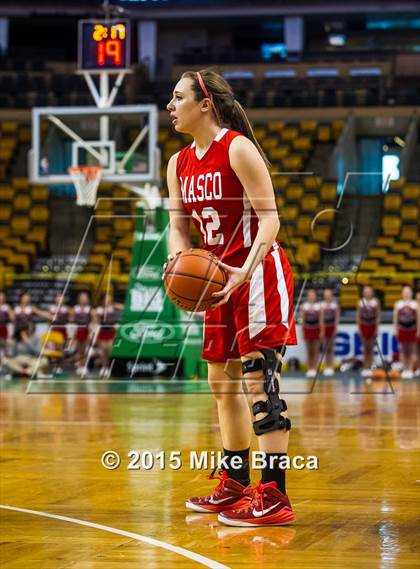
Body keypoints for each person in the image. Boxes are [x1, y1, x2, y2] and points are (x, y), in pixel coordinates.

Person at [164, 68, 297, 527]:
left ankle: (275, 494)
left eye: (177, 98)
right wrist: (176, 261)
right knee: (221, 384)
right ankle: (236, 483)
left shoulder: (237, 148)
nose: (170, 106)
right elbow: (178, 226)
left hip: (256, 271)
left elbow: (270, 219)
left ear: (205, 104)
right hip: (218, 281)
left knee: (260, 383)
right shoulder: (178, 163)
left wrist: (245, 269)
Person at [93, 291, 122, 377]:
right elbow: (95, 318)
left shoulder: (113, 308)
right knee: (102, 352)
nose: (107, 301)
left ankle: (109, 367)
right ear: (102, 301)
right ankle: (103, 367)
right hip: (102, 332)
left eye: (109, 299)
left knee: (109, 351)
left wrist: (115, 304)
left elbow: (124, 307)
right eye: (105, 300)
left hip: (111, 332)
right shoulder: (99, 310)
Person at [393, 285, 417, 379]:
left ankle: (410, 369)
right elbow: (395, 318)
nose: (406, 294)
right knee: (403, 350)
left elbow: (418, 318)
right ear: (402, 293)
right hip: (402, 329)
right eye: (405, 292)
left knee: (412, 350)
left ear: (411, 293)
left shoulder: (415, 304)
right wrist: (395, 329)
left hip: (412, 329)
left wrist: (418, 330)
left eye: (408, 292)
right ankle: (404, 369)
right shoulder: (398, 304)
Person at [356, 285, 380, 378]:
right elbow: (358, 316)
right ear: (363, 293)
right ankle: (365, 367)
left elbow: (378, 315)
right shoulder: (360, 302)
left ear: (372, 292)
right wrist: (359, 328)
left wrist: (377, 328)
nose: (367, 293)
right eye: (365, 291)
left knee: (371, 348)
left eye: (369, 291)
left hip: (372, 326)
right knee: (365, 348)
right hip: (364, 326)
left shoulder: (375, 302)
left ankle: (370, 367)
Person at [301, 287, 322, 378]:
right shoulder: (304, 306)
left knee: (316, 350)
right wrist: (302, 331)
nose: (311, 296)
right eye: (310, 295)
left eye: (313, 295)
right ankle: (309, 368)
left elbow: (321, 320)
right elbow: (303, 320)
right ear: (308, 296)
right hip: (307, 329)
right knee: (309, 350)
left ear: (315, 296)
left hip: (316, 329)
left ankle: (314, 368)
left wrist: (322, 331)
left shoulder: (319, 307)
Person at [71, 291, 92, 375]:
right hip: (78, 330)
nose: (83, 300)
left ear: (87, 300)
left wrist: (91, 332)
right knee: (79, 350)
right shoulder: (75, 309)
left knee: (85, 350)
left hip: (86, 331)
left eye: (85, 298)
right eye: (82, 298)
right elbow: (71, 321)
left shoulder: (90, 309)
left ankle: (84, 366)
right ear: (79, 300)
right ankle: (79, 365)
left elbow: (93, 322)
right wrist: (72, 334)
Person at [320, 287, 340, 376]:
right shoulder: (322, 305)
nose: (327, 297)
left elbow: (336, 318)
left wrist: (335, 328)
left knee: (331, 349)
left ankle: (330, 366)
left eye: (329, 295)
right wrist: (322, 329)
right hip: (325, 327)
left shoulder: (335, 305)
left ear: (331, 296)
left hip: (331, 327)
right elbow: (321, 319)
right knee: (325, 348)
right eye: (326, 295)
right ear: (324, 296)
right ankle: (326, 366)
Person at [0, 291, 13, 368]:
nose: (1, 298)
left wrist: (9, 309)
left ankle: (6, 367)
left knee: (5, 349)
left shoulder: (6, 307)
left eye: (2, 297)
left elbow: (12, 317)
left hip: (4, 329)